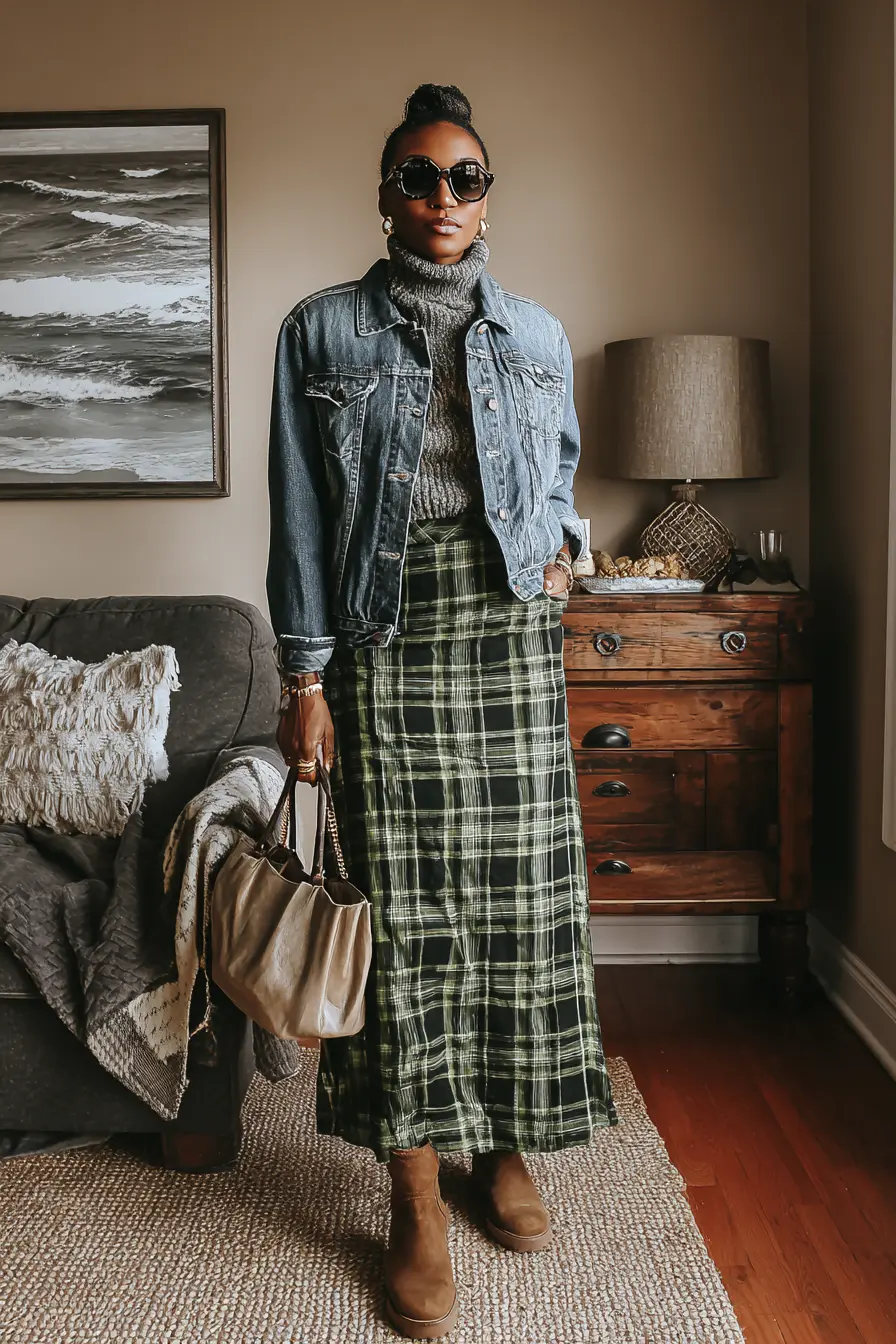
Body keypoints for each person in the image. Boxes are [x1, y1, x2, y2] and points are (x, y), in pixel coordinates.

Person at [267, 82, 618, 1341]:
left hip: (510, 635)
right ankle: (415, 1189)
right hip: (385, 638)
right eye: (418, 176)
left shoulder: (534, 332)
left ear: (487, 195)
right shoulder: (321, 333)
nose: (442, 198)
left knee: (523, 908)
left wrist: (566, 550)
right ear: (383, 193)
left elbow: (561, 467)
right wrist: (301, 683)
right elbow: (300, 520)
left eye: (463, 177)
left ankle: (503, 1148)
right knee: (409, 923)